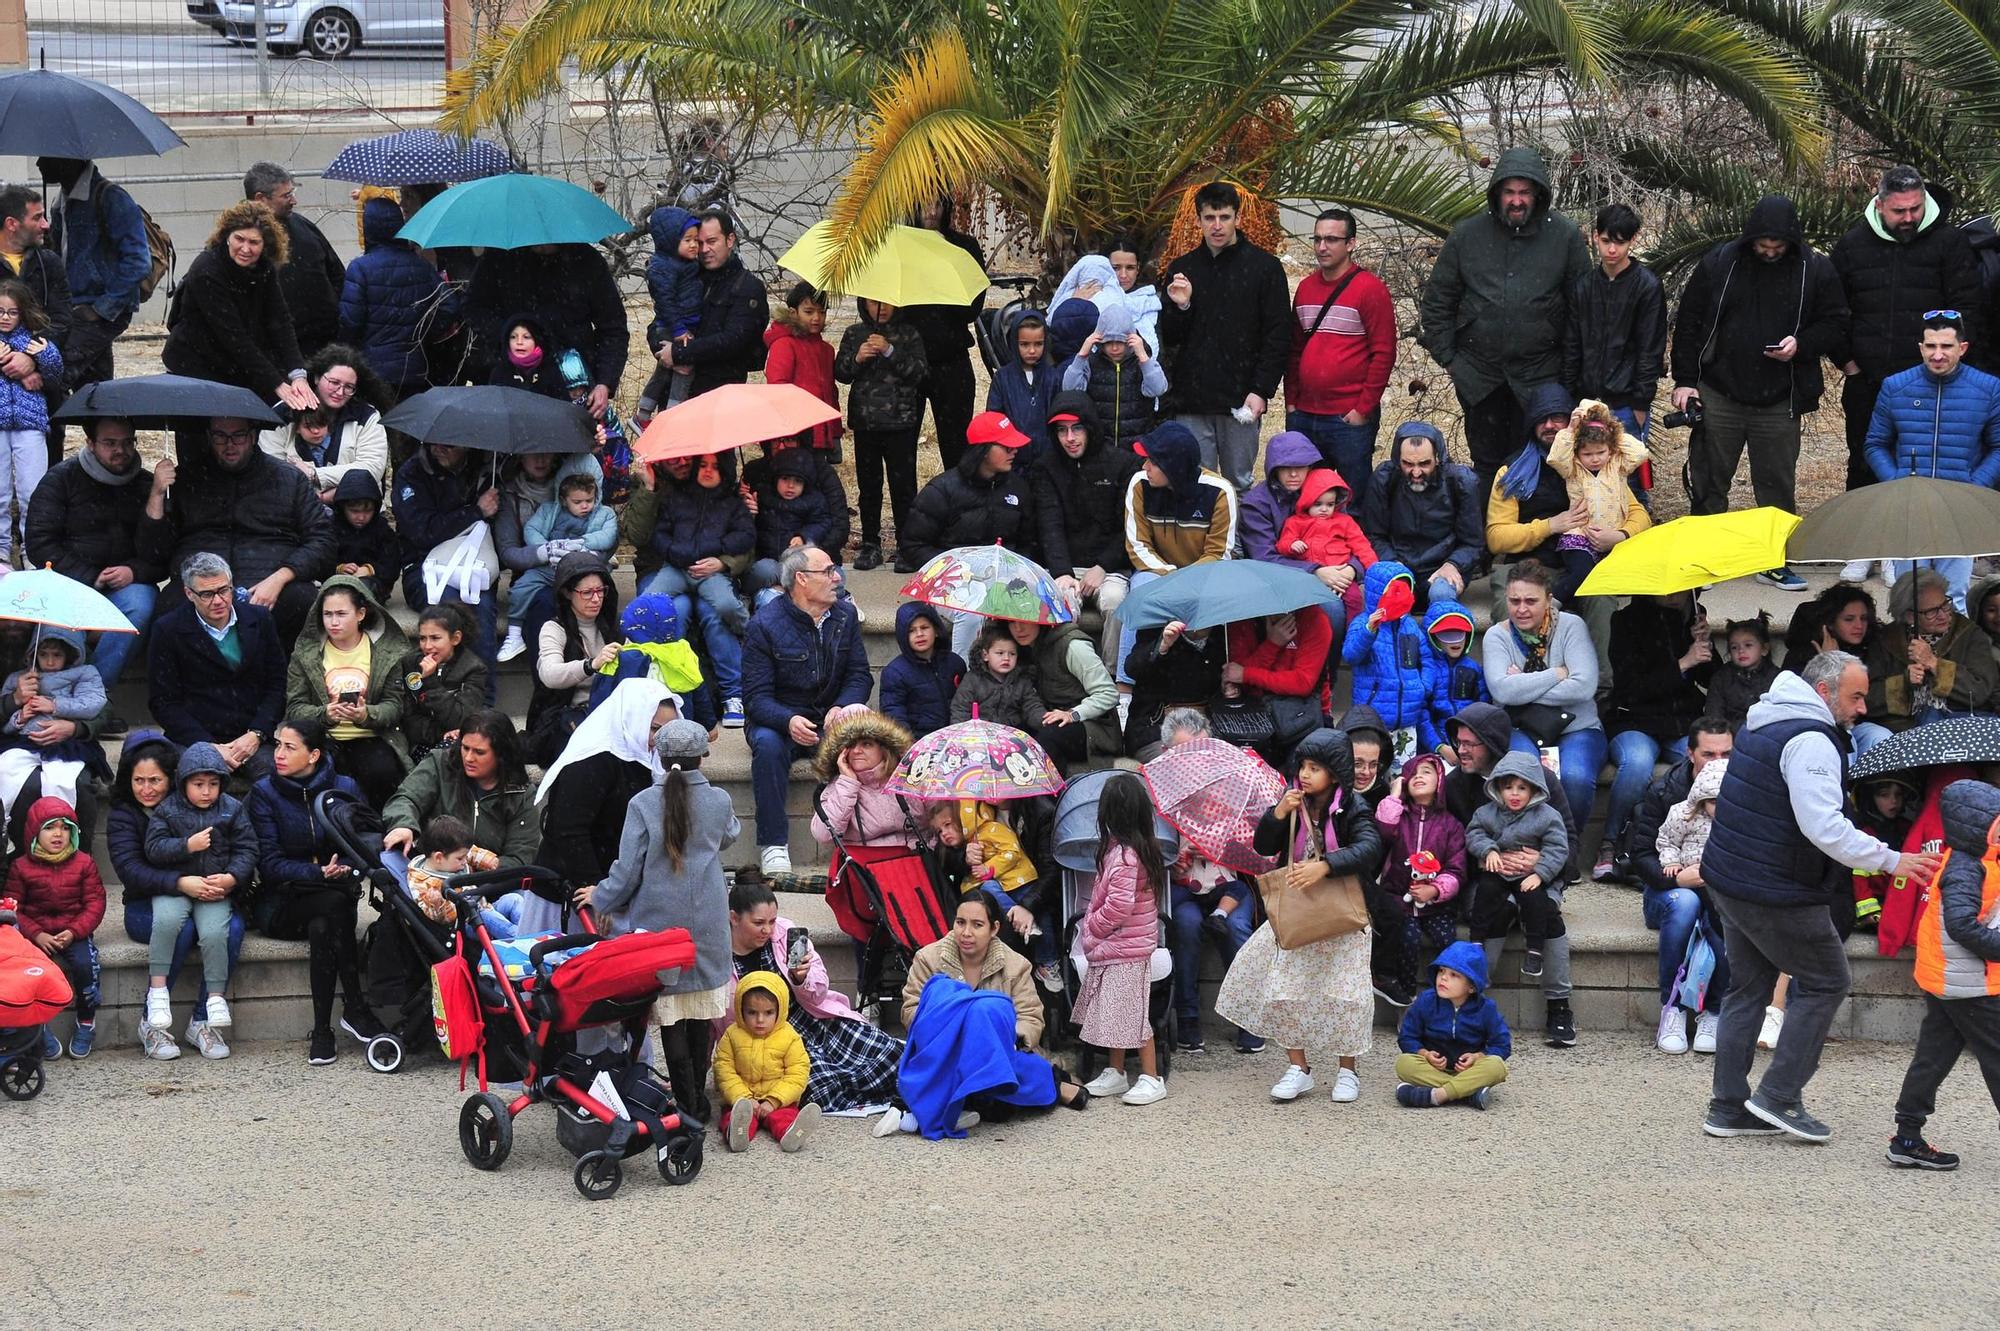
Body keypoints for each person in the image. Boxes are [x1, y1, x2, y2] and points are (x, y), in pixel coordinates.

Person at [1699, 652, 1942, 1142]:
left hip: (1729, 876)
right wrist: (1895, 860)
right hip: (1774, 888)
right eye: (1855, 696)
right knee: (1827, 979)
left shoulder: (1765, 717)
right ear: (1825, 692)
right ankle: (1779, 1097)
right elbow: (1824, 827)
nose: (1862, 708)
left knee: (1747, 988)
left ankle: (1728, 1107)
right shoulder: (1811, 739)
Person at [1669, 194, 1849, 591]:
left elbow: (1836, 323)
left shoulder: (1815, 269)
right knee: (1710, 480)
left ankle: (1773, 560)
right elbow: (1689, 320)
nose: (1769, 251)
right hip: (1719, 390)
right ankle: (1705, 557)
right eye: (1762, 245)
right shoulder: (1720, 262)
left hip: (1780, 397)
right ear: (1749, 237)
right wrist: (1684, 380)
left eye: (1778, 246)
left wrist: (1800, 344)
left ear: (1792, 242)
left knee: (1776, 484)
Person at [574, 719, 737, 1127]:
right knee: (701, 1016)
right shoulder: (718, 800)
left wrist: (601, 896)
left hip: (661, 929)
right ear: (702, 755)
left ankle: (683, 1107)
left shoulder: (643, 803)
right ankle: (696, 1100)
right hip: (710, 924)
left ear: (660, 757)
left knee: (672, 1019)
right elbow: (730, 835)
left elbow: (627, 870)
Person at [1417, 149, 1591, 503]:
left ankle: (1541, 546)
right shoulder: (1467, 236)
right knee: (1487, 464)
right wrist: (1452, 360)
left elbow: (1583, 310)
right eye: (1509, 192)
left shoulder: (1565, 237)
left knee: (1545, 462)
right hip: (1480, 377)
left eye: (1524, 192)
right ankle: (1486, 544)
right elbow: (1437, 303)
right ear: (1497, 193)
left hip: (1542, 376)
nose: (1516, 201)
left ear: (1538, 194)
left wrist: (1569, 375)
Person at [1216, 727, 1379, 1104]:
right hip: (1296, 912)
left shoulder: (1352, 807)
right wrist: (1278, 814)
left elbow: (1370, 848)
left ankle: (1347, 1070)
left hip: (1343, 914)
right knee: (1285, 992)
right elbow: (1263, 846)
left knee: (1347, 994)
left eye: (1315, 768)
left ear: (1335, 773)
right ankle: (1299, 1067)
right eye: (1302, 766)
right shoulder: (1291, 800)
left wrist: (1326, 866)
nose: (1305, 774)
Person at [1833, 165, 1985, 506]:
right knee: (1864, 461)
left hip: (1934, 382)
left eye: (1915, 208)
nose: (1908, 217)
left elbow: (1968, 309)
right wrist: (1848, 361)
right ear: (1879, 206)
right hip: (1867, 381)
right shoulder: (1851, 246)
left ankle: (1933, 547)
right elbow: (1833, 311)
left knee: (1933, 467)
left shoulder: (1950, 243)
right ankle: (1865, 547)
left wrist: (1946, 362)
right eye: (1899, 210)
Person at [891, 892, 1089, 1137]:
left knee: (1001, 1062)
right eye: (960, 922)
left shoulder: (1015, 964)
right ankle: (1053, 1085)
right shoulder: (928, 959)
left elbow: (1031, 1018)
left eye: (977, 925)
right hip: (943, 1051)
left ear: (994, 928)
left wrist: (999, 1037)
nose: (966, 933)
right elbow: (911, 1011)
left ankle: (969, 1101)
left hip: (999, 1051)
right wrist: (957, 1026)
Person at [247, 717, 380, 1066]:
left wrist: (347, 868)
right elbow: (270, 865)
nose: (278, 754)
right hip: (282, 902)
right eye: (277, 745)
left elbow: (366, 840)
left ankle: (323, 1031)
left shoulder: (344, 787)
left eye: (290, 747)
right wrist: (318, 871)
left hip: (333, 895)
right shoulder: (264, 793)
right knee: (334, 907)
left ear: (314, 754)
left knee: (325, 924)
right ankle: (355, 1007)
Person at [138, 413, 335, 647]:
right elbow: (154, 551)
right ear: (209, 437)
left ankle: (280, 681)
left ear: (252, 436)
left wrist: (282, 576)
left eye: (238, 436)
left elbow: (323, 542)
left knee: (302, 602)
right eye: (220, 436)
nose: (229, 445)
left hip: (270, 579)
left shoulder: (289, 479)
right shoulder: (187, 478)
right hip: (199, 581)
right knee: (170, 610)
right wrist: (158, 493)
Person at [740, 546, 872, 879]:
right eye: (828, 571)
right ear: (801, 579)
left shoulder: (845, 616)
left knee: (860, 745)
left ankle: (855, 838)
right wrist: (787, 720)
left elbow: (860, 675)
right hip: (779, 720)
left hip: (829, 716)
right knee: (768, 747)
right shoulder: (764, 625)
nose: (837, 578)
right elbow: (755, 698)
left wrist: (841, 705)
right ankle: (773, 843)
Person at [1889, 777, 2000, 1171]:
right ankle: (1906, 1135)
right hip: (1969, 984)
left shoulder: (1974, 861)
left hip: (1948, 980)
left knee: (1933, 1057)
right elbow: (1963, 927)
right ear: (1978, 828)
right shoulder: (1967, 869)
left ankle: (1907, 1136)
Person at [1155, 181, 1292, 491]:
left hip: (1240, 400)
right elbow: (1170, 338)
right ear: (1198, 221)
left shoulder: (1265, 269)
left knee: (1239, 485)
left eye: (1224, 217)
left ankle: (1238, 542)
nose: (1217, 226)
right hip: (1192, 402)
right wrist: (1182, 306)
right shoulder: (1182, 269)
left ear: (1238, 219)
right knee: (1196, 483)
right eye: (1209, 217)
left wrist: (1261, 391)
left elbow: (1277, 336)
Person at [110, 731, 239, 1060]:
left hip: (204, 896)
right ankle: (151, 1023)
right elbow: (131, 871)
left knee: (232, 928)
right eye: (139, 780)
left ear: (174, 779)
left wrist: (228, 879)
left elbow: (239, 848)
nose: (147, 788)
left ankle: (203, 1021)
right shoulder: (123, 815)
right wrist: (181, 883)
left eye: (155, 779)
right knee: (179, 929)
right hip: (145, 904)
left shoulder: (196, 807)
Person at [1860, 311, 2000, 605]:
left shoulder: (1988, 389)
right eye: (1931, 346)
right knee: (1909, 597)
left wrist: (1973, 486)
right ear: (1920, 347)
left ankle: (1952, 652)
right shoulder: (1895, 386)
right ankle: (1907, 651)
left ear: (1962, 348)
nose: (1938, 355)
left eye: (1946, 347)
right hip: (1909, 510)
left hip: (1959, 510)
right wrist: (1896, 480)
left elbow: (1998, 446)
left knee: (1954, 597)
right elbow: (1875, 443)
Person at [724, 880, 900, 1114]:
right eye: (758, 923)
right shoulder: (720, 958)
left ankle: (863, 1090)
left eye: (772, 921)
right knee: (816, 1091)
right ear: (734, 918)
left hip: (817, 1017)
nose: (767, 930)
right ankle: (876, 1091)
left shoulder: (786, 933)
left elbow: (819, 994)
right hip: (776, 1039)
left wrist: (801, 979)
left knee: (893, 1054)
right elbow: (713, 1023)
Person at [23, 414, 161, 699]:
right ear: (90, 443)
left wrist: (133, 571)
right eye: (109, 443)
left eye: (126, 442)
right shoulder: (61, 479)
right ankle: (54, 699)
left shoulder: (145, 484)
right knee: (61, 627)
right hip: (69, 583)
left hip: (124, 587)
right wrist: (88, 576)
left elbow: (161, 553)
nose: (119, 450)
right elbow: (39, 542)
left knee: (142, 603)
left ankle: (95, 697)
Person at [1625, 718, 1734, 1054]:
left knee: (1727, 920)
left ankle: (1713, 1012)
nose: (1718, 762)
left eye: (1726, 753)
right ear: (1690, 753)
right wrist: (1674, 877)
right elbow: (1640, 853)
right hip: (1668, 890)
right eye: (1708, 754)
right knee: (1686, 904)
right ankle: (1672, 1007)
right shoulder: (1664, 792)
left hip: (1720, 892)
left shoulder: (1743, 795)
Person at [140, 741, 258, 1054]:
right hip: (177, 886)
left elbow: (247, 849)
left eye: (213, 784)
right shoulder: (168, 809)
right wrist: (186, 846)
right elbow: (153, 849)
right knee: (166, 921)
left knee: (216, 931)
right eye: (198, 784)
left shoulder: (232, 809)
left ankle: (215, 997)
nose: (206, 792)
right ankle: (158, 991)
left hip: (214, 887)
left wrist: (232, 877)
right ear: (183, 784)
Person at [897, 414, 1046, 654]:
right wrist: (956, 571)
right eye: (1006, 446)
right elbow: (913, 546)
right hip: (953, 582)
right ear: (983, 451)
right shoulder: (942, 490)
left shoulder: (1018, 488)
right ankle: (964, 680)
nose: (1014, 451)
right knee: (971, 613)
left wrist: (1014, 570)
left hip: (1004, 579)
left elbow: (1028, 541)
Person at [161, 201, 316, 413]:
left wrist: (298, 374)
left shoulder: (264, 268)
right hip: (196, 362)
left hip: (236, 360)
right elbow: (233, 337)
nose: (245, 248)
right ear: (226, 237)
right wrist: (277, 383)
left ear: (266, 245)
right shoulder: (207, 270)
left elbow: (280, 321)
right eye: (239, 239)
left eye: (254, 242)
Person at [147, 553, 286, 788]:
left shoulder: (259, 619)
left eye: (224, 590)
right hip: (195, 736)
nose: (219, 600)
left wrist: (257, 733)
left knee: (277, 782)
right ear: (189, 594)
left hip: (252, 734)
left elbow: (277, 683)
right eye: (207, 594)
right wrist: (207, 745)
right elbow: (163, 702)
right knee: (196, 779)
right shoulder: (168, 629)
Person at [1600, 592, 1713, 880]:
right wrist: (1683, 663)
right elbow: (1630, 687)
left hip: (1679, 722)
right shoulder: (1625, 621)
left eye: (1680, 588)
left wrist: (1704, 647)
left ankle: (1700, 843)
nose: (1674, 594)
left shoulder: (1693, 616)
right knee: (1637, 764)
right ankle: (1611, 843)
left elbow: (1711, 680)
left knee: (1710, 763)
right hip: (1634, 719)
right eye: (1665, 591)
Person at [1286, 207, 1395, 506]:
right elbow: (1295, 349)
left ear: (1351, 243)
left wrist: (1362, 409)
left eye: (1332, 239)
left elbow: (1383, 353)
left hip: (1347, 418)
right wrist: (1292, 402)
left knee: (1352, 501)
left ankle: (1354, 553)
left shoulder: (1369, 289)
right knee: (1306, 501)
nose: (1322, 247)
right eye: (1318, 239)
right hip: (1305, 415)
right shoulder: (1306, 287)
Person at [1071, 774, 1169, 1107]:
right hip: (1119, 946)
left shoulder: (1126, 857)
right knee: (1115, 1011)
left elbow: (1118, 905)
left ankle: (1152, 1077)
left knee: (1134, 1015)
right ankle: (1116, 1072)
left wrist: (1092, 927)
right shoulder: (1128, 850)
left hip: (1126, 947)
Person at [1481, 562, 1605, 822]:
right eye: (1514, 601)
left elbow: (1584, 686)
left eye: (1531, 601)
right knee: (1523, 775)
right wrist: (1557, 674)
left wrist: (1522, 683)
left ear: (1548, 600)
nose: (1521, 609)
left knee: (1576, 777)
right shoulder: (1496, 636)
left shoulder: (1572, 626)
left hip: (1577, 726)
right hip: (1520, 727)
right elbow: (1502, 691)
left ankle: (1569, 848)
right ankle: (1528, 849)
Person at [1118, 420, 1236, 692]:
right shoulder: (1139, 483)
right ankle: (1125, 687)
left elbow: (1218, 553)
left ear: (1173, 467)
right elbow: (1138, 545)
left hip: (1205, 575)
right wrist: (1171, 576)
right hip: (1157, 572)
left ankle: (1221, 687)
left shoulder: (1219, 491)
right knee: (1140, 592)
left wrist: (1187, 581)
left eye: (1152, 462)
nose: (1144, 466)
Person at [282, 576, 410, 808]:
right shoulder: (305, 654)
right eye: (327, 614)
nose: (333, 622)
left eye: (341, 614)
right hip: (323, 739)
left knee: (382, 772)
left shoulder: (386, 653)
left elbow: (395, 705)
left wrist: (366, 714)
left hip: (371, 738)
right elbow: (294, 708)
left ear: (360, 614)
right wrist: (326, 714)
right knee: (323, 781)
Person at [642, 452, 751, 726]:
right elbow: (659, 533)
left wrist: (721, 557)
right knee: (647, 605)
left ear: (725, 471)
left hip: (711, 573)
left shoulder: (733, 503)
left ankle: (749, 632)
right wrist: (674, 551)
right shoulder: (677, 497)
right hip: (677, 569)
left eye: (715, 467)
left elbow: (745, 535)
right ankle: (642, 674)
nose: (707, 471)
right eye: (702, 465)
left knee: (723, 607)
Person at [1033, 392, 1140, 662]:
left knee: (1116, 604)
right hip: (1065, 567)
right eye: (1062, 430)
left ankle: (1114, 680)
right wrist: (1061, 572)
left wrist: (1103, 566)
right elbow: (1049, 523)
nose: (1070, 438)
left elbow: (1128, 526)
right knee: (1062, 603)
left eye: (1077, 428)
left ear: (1090, 428)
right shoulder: (1046, 467)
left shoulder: (1122, 464)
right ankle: (1066, 679)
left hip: (1110, 567)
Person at [461, 242, 625, 416]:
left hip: (573, 381)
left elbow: (613, 327)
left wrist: (604, 382)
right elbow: (473, 308)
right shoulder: (500, 257)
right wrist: (511, 333)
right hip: (512, 380)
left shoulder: (586, 259)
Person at [391, 439, 502, 678]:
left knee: (481, 604)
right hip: (423, 565)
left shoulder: (485, 467)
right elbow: (421, 532)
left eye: (449, 445)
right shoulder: (411, 473)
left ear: (467, 446)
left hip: (473, 563)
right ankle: (446, 691)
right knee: (450, 611)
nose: (438, 448)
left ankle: (483, 700)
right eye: (432, 443)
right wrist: (474, 512)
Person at [1857, 567, 1998, 751]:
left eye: (1945, 604)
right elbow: (1865, 699)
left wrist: (1934, 664)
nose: (1943, 615)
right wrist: (1904, 683)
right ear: (1909, 616)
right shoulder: (1886, 640)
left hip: (1958, 731)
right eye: (1932, 611)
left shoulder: (1968, 634)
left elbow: (1980, 692)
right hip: (1902, 734)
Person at [37, 156, 146, 394]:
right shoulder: (61, 201)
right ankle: (105, 428)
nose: (38, 164)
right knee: (94, 389)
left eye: (46, 158)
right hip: (75, 308)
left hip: (98, 309)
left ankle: (52, 430)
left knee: (53, 372)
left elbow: (138, 261)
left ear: (68, 161)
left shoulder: (111, 198)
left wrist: (101, 309)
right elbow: (64, 256)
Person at [835, 296, 929, 572]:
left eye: (886, 302)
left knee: (903, 488)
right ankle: (870, 544)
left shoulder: (909, 334)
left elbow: (919, 373)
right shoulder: (854, 333)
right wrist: (858, 357)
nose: (881, 308)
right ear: (864, 304)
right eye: (874, 303)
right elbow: (841, 372)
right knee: (869, 488)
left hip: (901, 423)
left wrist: (890, 351)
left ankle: (906, 545)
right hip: (866, 424)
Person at [1466, 751, 1570, 995]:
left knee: (1535, 901)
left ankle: (1534, 950)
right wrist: (1488, 851)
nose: (1514, 794)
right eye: (1508, 787)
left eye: (1522, 788)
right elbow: (1474, 833)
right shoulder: (1487, 812)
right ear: (1497, 788)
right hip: (1498, 869)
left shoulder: (1547, 816)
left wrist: (1540, 873)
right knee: (1486, 893)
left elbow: (1558, 848)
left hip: (1529, 873)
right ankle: (1476, 940)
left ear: (1533, 790)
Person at [1563, 203, 1668, 445]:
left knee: (1629, 478)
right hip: (1584, 400)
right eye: (1606, 240)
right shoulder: (1584, 286)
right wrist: (1568, 397)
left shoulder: (1647, 286)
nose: (1611, 250)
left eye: (1620, 242)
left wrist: (1640, 404)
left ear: (1633, 239)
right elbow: (1572, 345)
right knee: (1585, 476)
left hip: (1626, 404)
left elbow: (1649, 349)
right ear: (1594, 236)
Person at [8, 795, 104, 1060]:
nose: (58, 834)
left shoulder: (83, 862)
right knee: (31, 974)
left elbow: (95, 903)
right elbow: (14, 908)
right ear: (35, 832)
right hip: (36, 936)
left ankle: (86, 1021)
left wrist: (74, 931)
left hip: (74, 932)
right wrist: (36, 934)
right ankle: (38, 1028)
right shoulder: (21, 867)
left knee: (87, 967)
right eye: (50, 827)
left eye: (65, 827)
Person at [1372, 752, 1466, 1007]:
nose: (1418, 777)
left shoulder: (1451, 825)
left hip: (1437, 905)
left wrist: (1435, 890)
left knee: (1447, 943)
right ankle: (1407, 998)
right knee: (1408, 940)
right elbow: (1381, 830)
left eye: (1427, 771)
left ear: (1441, 781)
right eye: (1412, 773)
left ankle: (1445, 1000)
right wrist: (1394, 795)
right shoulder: (1397, 816)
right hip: (1398, 901)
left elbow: (1457, 868)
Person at [905, 194, 986, 473]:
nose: (930, 211)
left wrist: (940, 283)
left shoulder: (963, 247)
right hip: (906, 361)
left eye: (936, 204)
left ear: (946, 207)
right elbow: (876, 305)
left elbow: (972, 307)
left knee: (957, 448)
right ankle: (909, 514)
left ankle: (958, 508)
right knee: (902, 450)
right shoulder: (898, 246)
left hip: (951, 359)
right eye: (923, 203)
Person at [1359, 421, 1482, 605]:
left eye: (1424, 464)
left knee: (1441, 595)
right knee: (1393, 598)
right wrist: (1392, 562)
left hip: (1444, 565)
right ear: (1397, 460)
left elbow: (1473, 542)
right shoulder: (1384, 479)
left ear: (1438, 458)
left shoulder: (1461, 482)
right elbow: (1374, 535)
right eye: (1407, 464)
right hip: (1398, 563)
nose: (1416, 472)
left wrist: (1454, 564)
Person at [338, 197, 445, 400]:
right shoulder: (420, 265)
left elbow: (350, 321)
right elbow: (448, 305)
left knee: (375, 429)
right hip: (414, 368)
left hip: (372, 369)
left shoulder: (360, 268)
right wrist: (424, 335)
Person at [1545, 400, 1650, 603]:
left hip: (1614, 534)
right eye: (1588, 454)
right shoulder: (1572, 469)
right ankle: (1552, 605)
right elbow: (1555, 458)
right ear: (1577, 453)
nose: (1595, 459)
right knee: (1581, 574)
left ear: (1610, 449)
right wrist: (1571, 429)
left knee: (1626, 581)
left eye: (1600, 452)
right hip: (1581, 535)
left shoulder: (1617, 465)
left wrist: (1611, 428)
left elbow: (1640, 452)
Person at [260, 346, 393, 503]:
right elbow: (271, 470)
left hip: (354, 512)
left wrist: (314, 475)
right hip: (291, 508)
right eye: (334, 382)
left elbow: (370, 470)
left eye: (349, 387)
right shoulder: (283, 413)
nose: (340, 391)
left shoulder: (367, 416)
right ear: (317, 378)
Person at [523, 550, 621, 765]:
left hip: (609, 713)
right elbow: (550, 675)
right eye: (587, 593)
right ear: (567, 593)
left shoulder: (614, 627)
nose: (596, 599)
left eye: (600, 591)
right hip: (566, 715)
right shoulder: (553, 628)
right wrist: (591, 665)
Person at [0, 185, 72, 459]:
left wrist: (33, 359)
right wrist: (10, 361)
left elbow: (63, 318)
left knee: (47, 456)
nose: (45, 224)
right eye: (37, 217)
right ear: (12, 224)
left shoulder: (49, 263)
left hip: (41, 386)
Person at [1394, 940, 1512, 1109]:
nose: (1443, 978)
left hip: (1469, 1070)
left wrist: (1478, 1057)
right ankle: (1469, 1093)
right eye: (1441, 971)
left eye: (1454, 975)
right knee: (1404, 1064)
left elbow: (1502, 1045)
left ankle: (1438, 1095)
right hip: (1433, 1069)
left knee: (1497, 1067)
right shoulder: (1426, 1001)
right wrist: (1425, 1054)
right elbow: (1407, 1037)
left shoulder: (1486, 1008)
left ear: (1471, 986)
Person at [243, 163, 343, 358]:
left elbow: (337, 275)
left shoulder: (304, 227)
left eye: (292, 193)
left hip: (325, 343)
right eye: (286, 195)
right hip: (278, 351)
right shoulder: (242, 244)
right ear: (261, 199)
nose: (294, 200)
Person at [669, 210, 769, 401]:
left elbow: (734, 340)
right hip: (674, 393)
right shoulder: (688, 280)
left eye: (712, 241)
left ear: (730, 240)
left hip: (720, 394)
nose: (704, 249)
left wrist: (680, 353)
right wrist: (663, 349)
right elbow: (659, 323)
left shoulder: (748, 287)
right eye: (699, 243)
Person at [715, 973, 821, 1154]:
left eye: (768, 1012)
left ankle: (792, 1133)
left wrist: (773, 1101)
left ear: (780, 1011)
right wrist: (744, 1097)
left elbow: (797, 1073)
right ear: (741, 1009)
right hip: (741, 1100)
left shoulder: (789, 1037)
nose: (760, 1020)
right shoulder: (732, 1035)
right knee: (733, 1116)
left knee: (784, 1117)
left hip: (779, 1100)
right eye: (752, 1012)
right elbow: (723, 1069)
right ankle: (736, 1133)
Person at [1341, 562, 1433, 756]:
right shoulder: (1362, 623)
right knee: (1373, 771)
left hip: (1407, 718)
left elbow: (1427, 660)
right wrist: (1369, 631)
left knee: (1402, 774)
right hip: (1373, 720)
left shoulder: (1411, 627)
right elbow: (1350, 655)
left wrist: (1422, 687)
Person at [1008, 616, 1120, 770]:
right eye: (1011, 622)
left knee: (1048, 738)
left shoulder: (1073, 646)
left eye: (1024, 620)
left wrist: (1072, 714)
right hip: (1049, 715)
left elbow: (1108, 693)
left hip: (1092, 726)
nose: (1018, 628)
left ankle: (1049, 793)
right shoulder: (1016, 647)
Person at [513, 471, 618, 635]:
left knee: (598, 591)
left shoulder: (604, 514)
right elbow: (531, 529)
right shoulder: (550, 511)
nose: (584, 506)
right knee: (521, 587)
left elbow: (608, 536)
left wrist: (581, 543)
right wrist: (548, 547)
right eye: (577, 502)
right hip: (551, 564)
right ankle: (514, 629)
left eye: (589, 500)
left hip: (584, 568)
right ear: (563, 500)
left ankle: (603, 630)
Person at [0, 279, 61, 555]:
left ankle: (32, 550)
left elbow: (56, 374)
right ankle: (1, 549)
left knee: (31, 492)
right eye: (0, 311)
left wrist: (41, 358)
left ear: (22, 313)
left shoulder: (35, 340)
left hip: (30, 423)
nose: (5, 317)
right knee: (0, 494)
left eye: (12, 312)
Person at [1062, 301, 1165, 448]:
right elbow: (1070, 390)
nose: (1115, 348)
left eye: (1120, 342)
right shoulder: (1091, 363)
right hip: (1101, 448)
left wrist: (1143, 356)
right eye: (1109, 342)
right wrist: (1082, 355)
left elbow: (1158, 388)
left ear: (1130, 341)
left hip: (1137, 446)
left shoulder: (1142, 362)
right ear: (1100, 342)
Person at [635, 205, 703, 420]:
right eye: (688, 240)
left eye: (696, 239)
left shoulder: (684, 263)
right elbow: (665, 302)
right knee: (684, 368)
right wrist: (679, 329)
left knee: (664, 370)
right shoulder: (664, 268)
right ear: (671, 242)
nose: (694, 245)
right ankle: (674, 417)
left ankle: (644, 413)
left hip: (684, 323)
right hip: (674, 327)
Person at [395, 603, 486, 762]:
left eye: (435, 638)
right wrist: (440, 734)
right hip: (421, 741)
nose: (427, 646)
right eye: (423, 638)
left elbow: (462, 719)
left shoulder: (473, 668)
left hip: (454, 742)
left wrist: (431, 681)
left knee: (450, 754)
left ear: (455, 638)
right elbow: (407, 719)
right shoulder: (410, 664)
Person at [749, 449, 836, 604]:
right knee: (761, 571)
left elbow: (822, 522)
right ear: (775, 479)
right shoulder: (763, 496)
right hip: (771, 561)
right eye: (785, 479)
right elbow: (748, 529)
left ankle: (790, 587)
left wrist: (804, 536)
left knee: (836, 577)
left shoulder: (814, 500)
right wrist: (751, 512)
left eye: (797, 481)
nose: (790, 486)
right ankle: (779, 589)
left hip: (801, 564)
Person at [760, 283, 840, 453]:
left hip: (820, 432)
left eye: (822, 312)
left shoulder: (826, 350)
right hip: (795, 432)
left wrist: (834, 431)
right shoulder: (784, 344)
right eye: (809, 312)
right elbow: (778, 388)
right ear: (793, 313)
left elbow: (830, 393)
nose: (817, 318)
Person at [879, 603, 962, 740]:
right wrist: (909, 745)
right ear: (903, 636)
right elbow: (894, 714)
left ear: (936, 630)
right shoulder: (894, 672)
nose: (919, 634)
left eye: (924, 628)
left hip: (954, 738)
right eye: (911, 630)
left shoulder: (954, 663)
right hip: (919, 743)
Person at [985, 311, 1055, 456]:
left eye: (1038, 344)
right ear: (1014, 343)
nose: (1032, 350)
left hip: (1047, 459)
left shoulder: (1053, 377)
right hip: (1012, 458)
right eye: (1024, 344)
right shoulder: (1003, 378)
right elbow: (994, 418)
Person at [951, 624, 1042, 732]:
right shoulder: (972, 679)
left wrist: (1044, 720)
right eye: (1000, 653)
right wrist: (962, 733)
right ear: (985, 655)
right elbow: (960, 709)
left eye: (1012, 654)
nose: (1006, 658)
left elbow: (1032, 706)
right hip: (978, 735)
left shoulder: (1022, 681)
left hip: (1012, 735)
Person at [1423, 597, 1488, 746]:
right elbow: (1422, 714)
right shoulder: (1428, 670)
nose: (1456, 641)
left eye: (1461, 633)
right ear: (1433, 638)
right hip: (1437, 743)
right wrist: (1438, 746)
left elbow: (1483, 707)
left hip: (1470, 738)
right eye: (1446, 634)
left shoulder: (1474, 670)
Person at [328, 470, 399, 604]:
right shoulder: (332, 528)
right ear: (343, 507)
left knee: (362, 592)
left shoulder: (382, 529)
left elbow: (392, 564)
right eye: (354, 511)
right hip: (338, 582)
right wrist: (339, 568)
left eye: (368, 511)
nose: (361, 517)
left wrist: (369, 570)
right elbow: (321, 560)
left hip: (374, 583)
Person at [1705, 614, 1781, 732]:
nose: (1741, 651)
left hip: (1766, 738)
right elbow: (1713, 716)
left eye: (1748, 645)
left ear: (1764, 649)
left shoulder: (1778, 678)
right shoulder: (1722, 678)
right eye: (1734, 647)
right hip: (1728, 739)